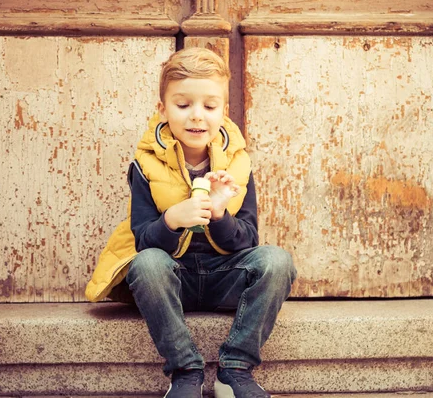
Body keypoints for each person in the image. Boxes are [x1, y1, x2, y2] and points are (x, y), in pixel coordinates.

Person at [85, 47, 297, 398]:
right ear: (163, 109)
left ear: (223, 111)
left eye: (209, 107)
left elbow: (248, 239)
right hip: (172, 280)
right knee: (147, 264)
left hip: (223, 277)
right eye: (183, 105)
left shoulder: (239, 164)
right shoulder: (145, 164)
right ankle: (185, 372)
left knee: (277, 261)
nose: (197, 116)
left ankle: (235, 369)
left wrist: (219, 215)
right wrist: (171, 219)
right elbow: (142, 239)